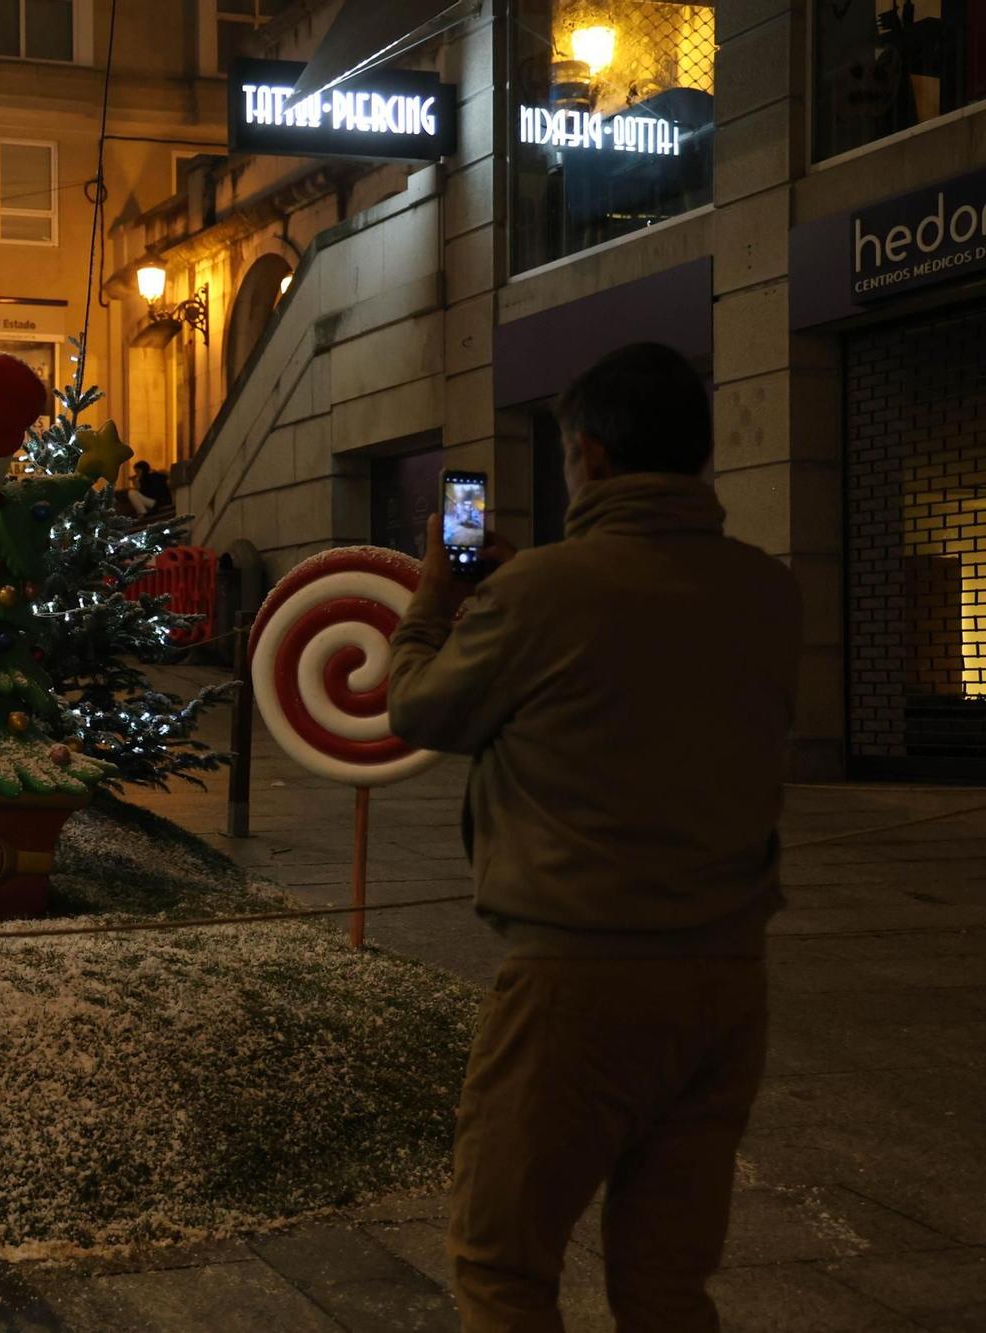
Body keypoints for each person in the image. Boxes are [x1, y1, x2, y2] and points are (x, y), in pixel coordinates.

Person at [386, 343, 800, 1333]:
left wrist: (432, 602)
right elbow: (640, 650)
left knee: (500, 1259)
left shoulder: (535, 598)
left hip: (577, 979)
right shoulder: (767, 590)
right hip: (724, 979)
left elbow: (417, 708)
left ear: (593, 458)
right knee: (664, 1282)